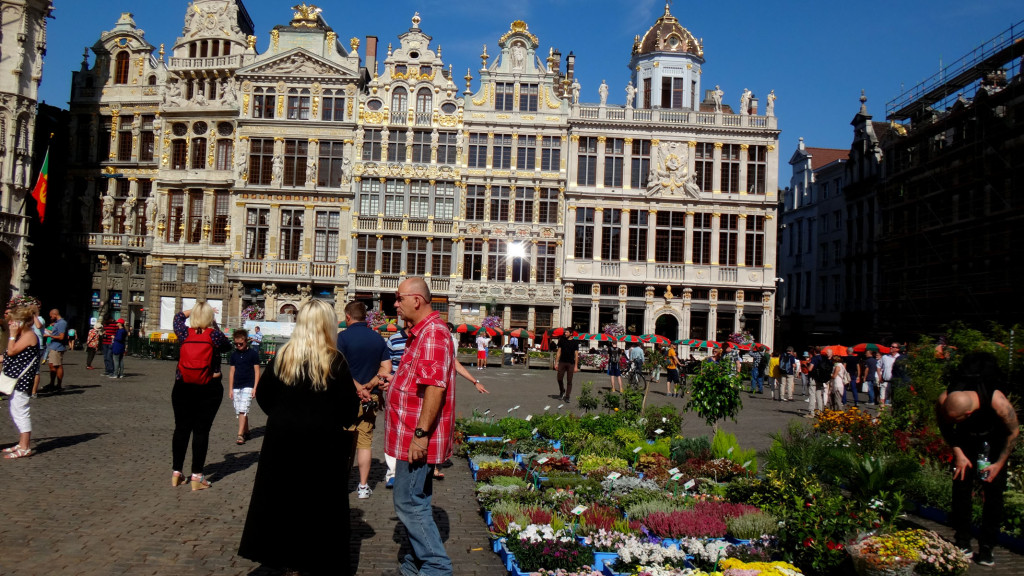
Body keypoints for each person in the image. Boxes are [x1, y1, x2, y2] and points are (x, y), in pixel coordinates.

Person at [238, 300, 361, 575]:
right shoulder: (334, 360)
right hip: (322, 442)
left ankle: (279, 553)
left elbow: (265, 395)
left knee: (281, 499)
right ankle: (313, 556)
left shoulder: (283, 355)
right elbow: (349, 410)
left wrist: (283, 417)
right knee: (317, 504)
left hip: (282, 440)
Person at [379, 277, 456, 576]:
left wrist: (421, 436)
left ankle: (435, 567)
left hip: (416, 436)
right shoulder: (420, 333)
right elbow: (419, 381)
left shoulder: (433, 333)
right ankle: (414, 564)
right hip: (409, 435)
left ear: (417, 300)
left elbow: (435, 388)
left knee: (409, 503)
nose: (395, 304)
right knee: (416, 499)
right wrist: (391, 382)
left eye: (399, 299)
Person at [936, 352, 1019, 567]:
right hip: (965, 445)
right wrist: (958, 453)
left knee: (993, 496)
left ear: (971, 413)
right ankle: (962, 541)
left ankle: (987, 547)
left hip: (993, 445)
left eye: (958, 419)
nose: (953, 421)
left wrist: (998, 464)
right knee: (961, 491)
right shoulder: (946, 398)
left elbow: (1014, 432)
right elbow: (945, 425)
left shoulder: (998, 402)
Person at [170, 302, 229, 491]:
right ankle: (197, 476)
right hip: (209, 386)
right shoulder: (215, 335)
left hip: (182, 385)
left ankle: (177, 473)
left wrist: (193, 310)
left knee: (181, 429)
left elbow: (178, 317)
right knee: (201, 431)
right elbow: (227, 347)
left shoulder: (184, 333)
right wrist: (212, 322)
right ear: (210, 318)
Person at [336, 301, 391, 501]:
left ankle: (341, 483)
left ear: (348, 317)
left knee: (343, 442)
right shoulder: (377, 339)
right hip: (372, 397)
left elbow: (338, 368)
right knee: (365, 442)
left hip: (347, 396)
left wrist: (358, 387)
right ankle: (363, 486)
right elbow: (386, 368)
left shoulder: (342, 338)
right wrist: (370, 385)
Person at [2, 306, 41, 458]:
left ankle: (25, 447)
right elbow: (8, 356)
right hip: (17, 378)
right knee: (15, 409)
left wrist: (11, 335)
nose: (10, 323)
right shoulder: (22, 335)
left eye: (12, 321)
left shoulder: (29, 335)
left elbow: (11, 351)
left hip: (22, 379)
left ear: (20, 322)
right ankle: (21, 443)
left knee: (20, 411)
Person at [229, 329, 260, 445]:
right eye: (236, 344)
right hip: (237, 386)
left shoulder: (253, 354)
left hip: (248, 384)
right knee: (240, 410)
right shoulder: (234, 355)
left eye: (240, 344)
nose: (238, 346)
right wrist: (230, 389)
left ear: (246, 341)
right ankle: (246, 431)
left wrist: (255, 387)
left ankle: (240, 434)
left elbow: (257, 371)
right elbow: (232, 372)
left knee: (243, 409)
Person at [42, 308, 68, 391]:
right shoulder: (57, 323)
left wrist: (49, 336)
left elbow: (61, 337)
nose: (50, 317)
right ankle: (52, 383)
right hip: (53, 346)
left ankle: (58, 385)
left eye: (51, 316)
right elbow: (55, 333)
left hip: (57, 347)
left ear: (55, 314)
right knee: (52, 365)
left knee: (58, 365)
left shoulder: (61, 323)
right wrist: (48, 332)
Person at [555, 328, 579, 402]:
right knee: (559, 378)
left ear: (571, 333)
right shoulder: (562, 340)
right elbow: (559, 352)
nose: (565, 333)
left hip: (570, 363)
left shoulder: (575, 342)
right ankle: (562, 390)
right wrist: (556, 362)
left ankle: (567, 396)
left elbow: (576, 355)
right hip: (562, 362)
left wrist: (576, 366)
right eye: (565, 332)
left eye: (567, 332)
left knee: (569, 380)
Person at [878, 343, 901, 407]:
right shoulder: (885, 357)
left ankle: (893, 415)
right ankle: (880, 414)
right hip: (885, 381)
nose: (891, 348)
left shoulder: (899, 358)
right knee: (882, 399)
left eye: (893, 347)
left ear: (897, 349)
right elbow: (878, 366)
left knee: (894, 400)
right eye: (890, 346)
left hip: (894, 382)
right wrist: (880, 377)